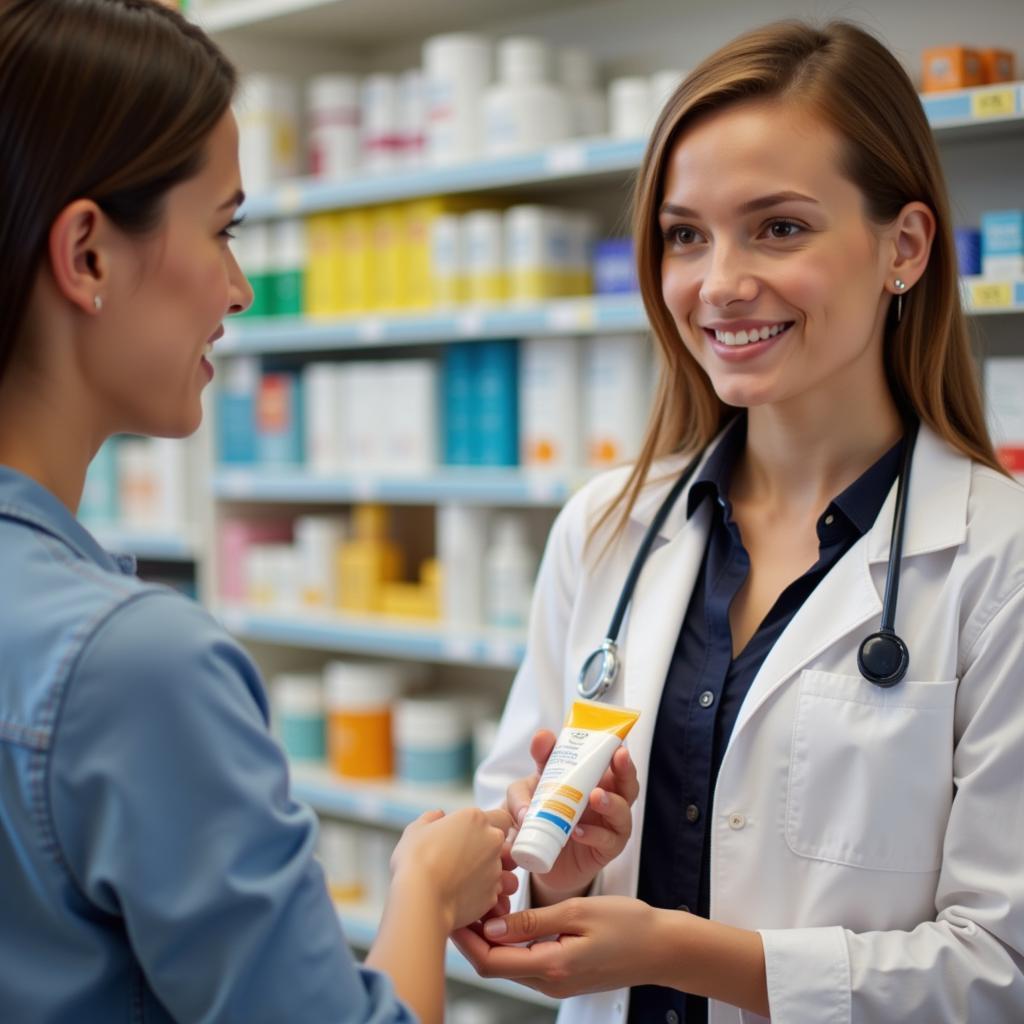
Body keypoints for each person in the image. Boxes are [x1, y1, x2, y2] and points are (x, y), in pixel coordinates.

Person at [461, 19, 1024, 1024]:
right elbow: (508, 853)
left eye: (778, 227)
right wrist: (551, 869)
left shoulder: (999, 558)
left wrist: (687, 953)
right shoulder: (608, 526)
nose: (717, 283)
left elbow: (999, 969)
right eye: (686, 235)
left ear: (902, 246)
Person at [0, 2, 514, 1022]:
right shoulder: (127, 667)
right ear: (88, 255)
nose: (237, 290)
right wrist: (427, 885)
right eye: (223, 229)